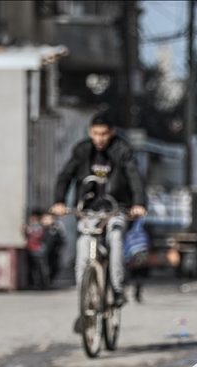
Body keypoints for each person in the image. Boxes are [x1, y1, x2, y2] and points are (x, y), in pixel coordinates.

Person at [52, 112, 146, 313]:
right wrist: (59, 201)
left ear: (111, 132)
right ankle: (84, 300)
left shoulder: (122, 149)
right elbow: (65, 176)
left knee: (116, 238)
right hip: (88, 210)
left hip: (116, 208)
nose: (100, 139)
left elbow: (134, 177)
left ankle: (118, 288)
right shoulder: (82, 150)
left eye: (104, 134)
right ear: (90, 132)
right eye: (96, 134)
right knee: (83, 248)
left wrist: (138, 203)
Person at [22, 209, 50, 289]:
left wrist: (29, 231)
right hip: (31, 250)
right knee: (33, 269)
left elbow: (38, 236)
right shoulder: (31, 227)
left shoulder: (41, 227)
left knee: (41, 269)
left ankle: (43, 284)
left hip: (39, 251)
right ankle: (35, 283)